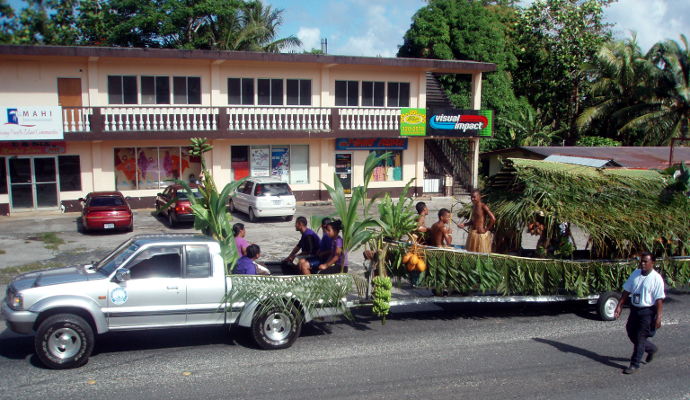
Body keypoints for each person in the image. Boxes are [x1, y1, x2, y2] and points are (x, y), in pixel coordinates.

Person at [614, 252, 665, 374]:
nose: (642, 263)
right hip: (635, 309)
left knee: (640, 338)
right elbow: (627, 290)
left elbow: (659, 299)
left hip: (647, 311)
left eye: (645, 261)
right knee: (630, 332)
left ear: (652, 263)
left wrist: (659, 316)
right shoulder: (635, 274)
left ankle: (634, 364)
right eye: (641, 261)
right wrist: (619, 305)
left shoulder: (656, 279)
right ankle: (651, 348)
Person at [458, 189, 496, 253]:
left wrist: (485, 230)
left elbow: (493, 219)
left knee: (481, 256)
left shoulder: (483, 206)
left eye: (474, 197)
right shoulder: (474, 206)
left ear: (479, 197)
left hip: (480, 235)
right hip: (473, 234)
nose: (472, 199)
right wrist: (464, 224)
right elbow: (473, 221)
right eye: (471, 197)